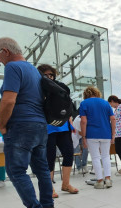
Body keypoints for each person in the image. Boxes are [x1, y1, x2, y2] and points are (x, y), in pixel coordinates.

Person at [0, 37, 55, 208]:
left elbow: (9, 100)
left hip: (21, 125)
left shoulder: (12, 67)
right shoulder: (33, 70)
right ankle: (48, 207)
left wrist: (2, 125)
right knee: (42, 169)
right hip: (39, 125)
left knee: (15, 169)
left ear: (5, 51)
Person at [37, 64, 79, 196]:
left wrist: (70, 122)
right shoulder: (38, 88)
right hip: (48, 129)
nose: (49, 77)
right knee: (49, 158)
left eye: (51, 75)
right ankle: (50, 188)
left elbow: (68, 106)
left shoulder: (60, 87)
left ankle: (66, 184)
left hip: (63, 127)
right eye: (46, 75)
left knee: (68, 153)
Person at [80, 86, 116, 189]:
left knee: (95, 157)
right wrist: (113, 134)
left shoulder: (84, 103)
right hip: (106, 133)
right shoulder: (105, 103)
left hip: (91, 134)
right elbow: (113, 119)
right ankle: (108, 179)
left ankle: (100, 181)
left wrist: (83, 137)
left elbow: (83, 121)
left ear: (86, 95)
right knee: (105, 156)